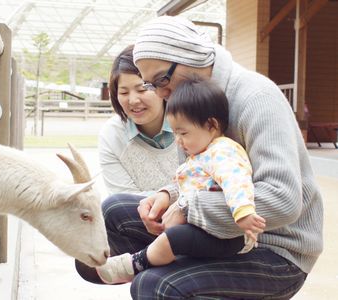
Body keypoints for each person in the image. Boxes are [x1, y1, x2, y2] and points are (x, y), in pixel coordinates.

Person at [77, 16, 323, 299]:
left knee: (154, 286)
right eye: (151, 85)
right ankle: (169, 267)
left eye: (161, 80)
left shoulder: (257, 98)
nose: (160, 93)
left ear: (187, 57)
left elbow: (283, 201)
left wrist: (187, 206)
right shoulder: (184, 98)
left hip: (275, 248)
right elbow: (198, 173)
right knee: (112, 213)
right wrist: (168, 195)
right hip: (219, 233)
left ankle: (166, 271)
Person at [95, 77, 266, 284]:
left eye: (183, 133)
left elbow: (236, 181)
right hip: (203, 229)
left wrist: (243, 212)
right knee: (173, 235)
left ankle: (137, 263)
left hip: (225, 235)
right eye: (175, 132)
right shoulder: (201, 153)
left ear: (211, 125)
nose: (178, 140)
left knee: (174, 239)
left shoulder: (222, 151)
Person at [98, 45, 179, 195]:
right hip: (138, 216)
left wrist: (170, 198)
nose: (133, 100)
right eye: (123, 92)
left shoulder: (190, 121)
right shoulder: (112, 134)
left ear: (162, 86)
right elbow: (123, 199)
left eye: (142, 89)